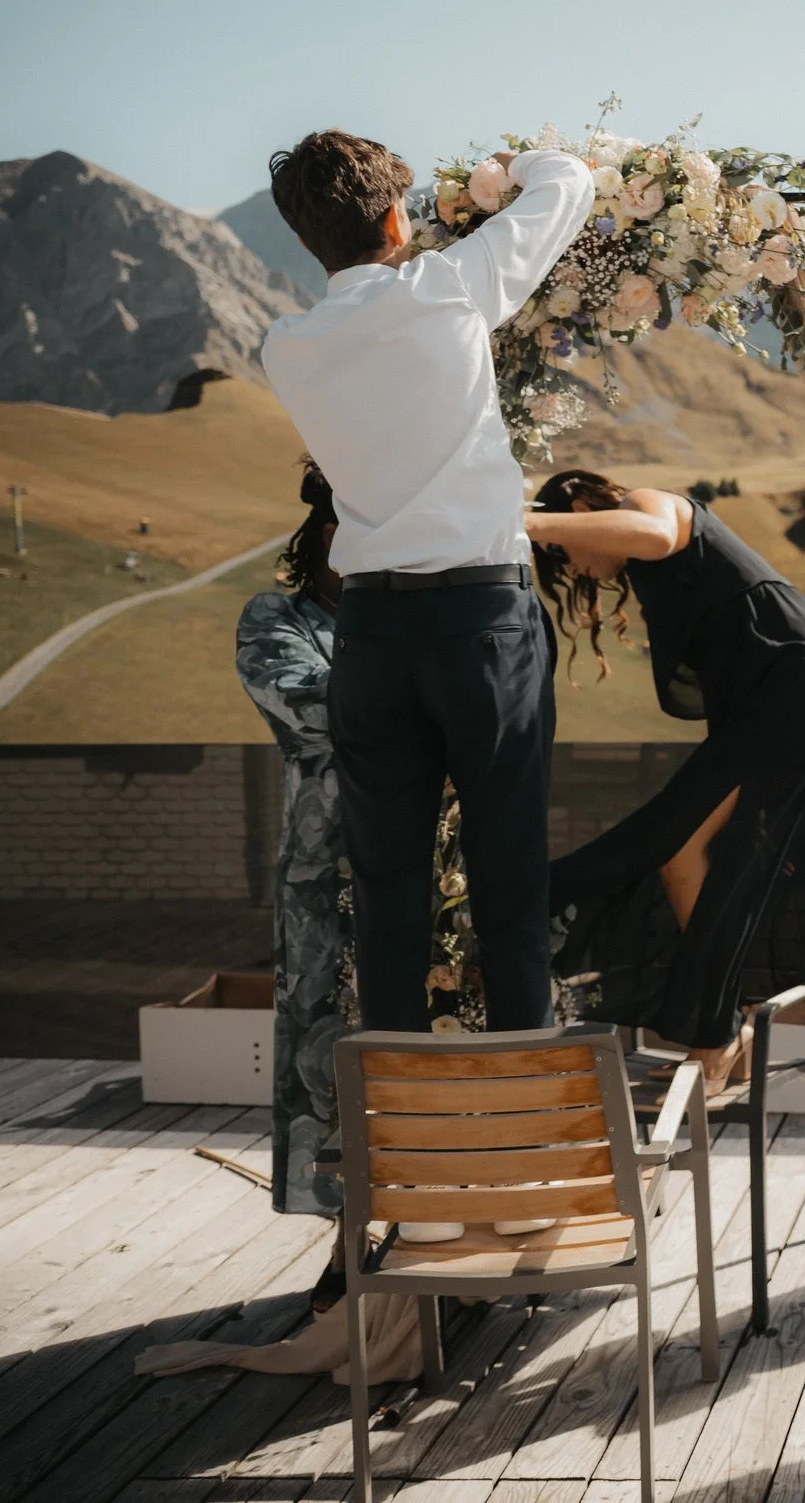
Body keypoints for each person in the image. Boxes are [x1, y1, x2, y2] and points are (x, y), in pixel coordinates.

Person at [260, 131, 593, 1041]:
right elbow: (570, 182)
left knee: (387, 894)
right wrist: (505, 175)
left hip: (369, 637)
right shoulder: (445, 288)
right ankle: (524, 1115)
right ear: (398, 218)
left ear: (306, 239)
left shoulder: (285, 347)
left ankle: (399, 1139)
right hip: (482, 621)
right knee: (510, 883)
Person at [530, 470, 805, 1073]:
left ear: (587, 507)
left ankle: (716, 1038)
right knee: (688, 856)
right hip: (802, 693)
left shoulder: (649, 504)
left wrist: (525, 520)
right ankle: (723, 1032)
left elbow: (655, 531)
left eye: (565, 550)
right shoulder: (650, 575)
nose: (574, 569)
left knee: (658, 842)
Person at [233, 459, 353, 1310]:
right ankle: (352, 1251)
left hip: (434, 875)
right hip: (325, 880)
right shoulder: (278, 618)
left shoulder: (414, 623)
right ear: (317, 540)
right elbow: (305, 702)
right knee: (331, 1056)